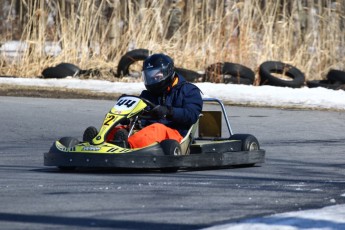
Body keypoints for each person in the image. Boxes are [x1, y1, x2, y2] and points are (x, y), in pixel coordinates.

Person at [120, 53, 203, 149]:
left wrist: (169, 112)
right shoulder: (148, 94)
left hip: (175, 135)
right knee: (120, 130)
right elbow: (140, 114)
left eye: (157, 76)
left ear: (167, 72)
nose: (153, 79)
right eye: (150, 76)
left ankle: (126, 147)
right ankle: (105, 142)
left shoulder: (188, 90)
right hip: (147, 132)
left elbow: (191, 115)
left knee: (157, 128)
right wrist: (126, 115)